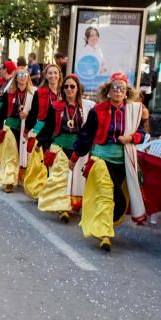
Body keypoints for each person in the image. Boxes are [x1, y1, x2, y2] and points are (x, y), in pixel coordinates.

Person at [70, 73, 146, 251]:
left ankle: (102, 224)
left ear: (126, 92)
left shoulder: (134, 111)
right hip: (100, 159)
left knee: (119, 202)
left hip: (122, 162)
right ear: (108, 91)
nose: (118, 91)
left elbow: (142, 134)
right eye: (115, 88)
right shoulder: (97, 110)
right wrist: (75, 157)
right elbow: (86, 136)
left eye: (122, 88)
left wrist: (131, 137)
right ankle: (105, 235)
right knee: (107, 195)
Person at [38, 74, 93, 222]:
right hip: (60, 146)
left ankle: (70, 204)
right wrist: (39, 143)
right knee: (61, 178)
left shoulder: (86, 107)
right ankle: (63, 208)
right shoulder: (56, 106)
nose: (69, 89)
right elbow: (48, 127)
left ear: (78, 89)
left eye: (72, 86)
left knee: (75, 179)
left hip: (78, 148)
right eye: (66, 86)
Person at [23, 63, 63, 199]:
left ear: (59, 75)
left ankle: (51, 191)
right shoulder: (39, 93)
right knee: (40, 163)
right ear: (46, 76)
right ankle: (40, 190)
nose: (53, 76)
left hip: (58, 133)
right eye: (50, 73)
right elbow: (33, 113)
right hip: (41, 131)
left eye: (55, 73)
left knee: (54, 163)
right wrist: (27, 129)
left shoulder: (65, 92)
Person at [0, 68, 35, 193]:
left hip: (26, 128)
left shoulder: (33, 94)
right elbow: (0, 109)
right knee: (10, 155)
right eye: (20, 75)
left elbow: (37, 111)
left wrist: (28, 114)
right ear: (16, 78)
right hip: (10, 126)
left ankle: (20, 177)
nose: (22, 77)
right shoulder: (9, 92)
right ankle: (9, 181)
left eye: (25, 75)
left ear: (28, 77)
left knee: (23, 155)